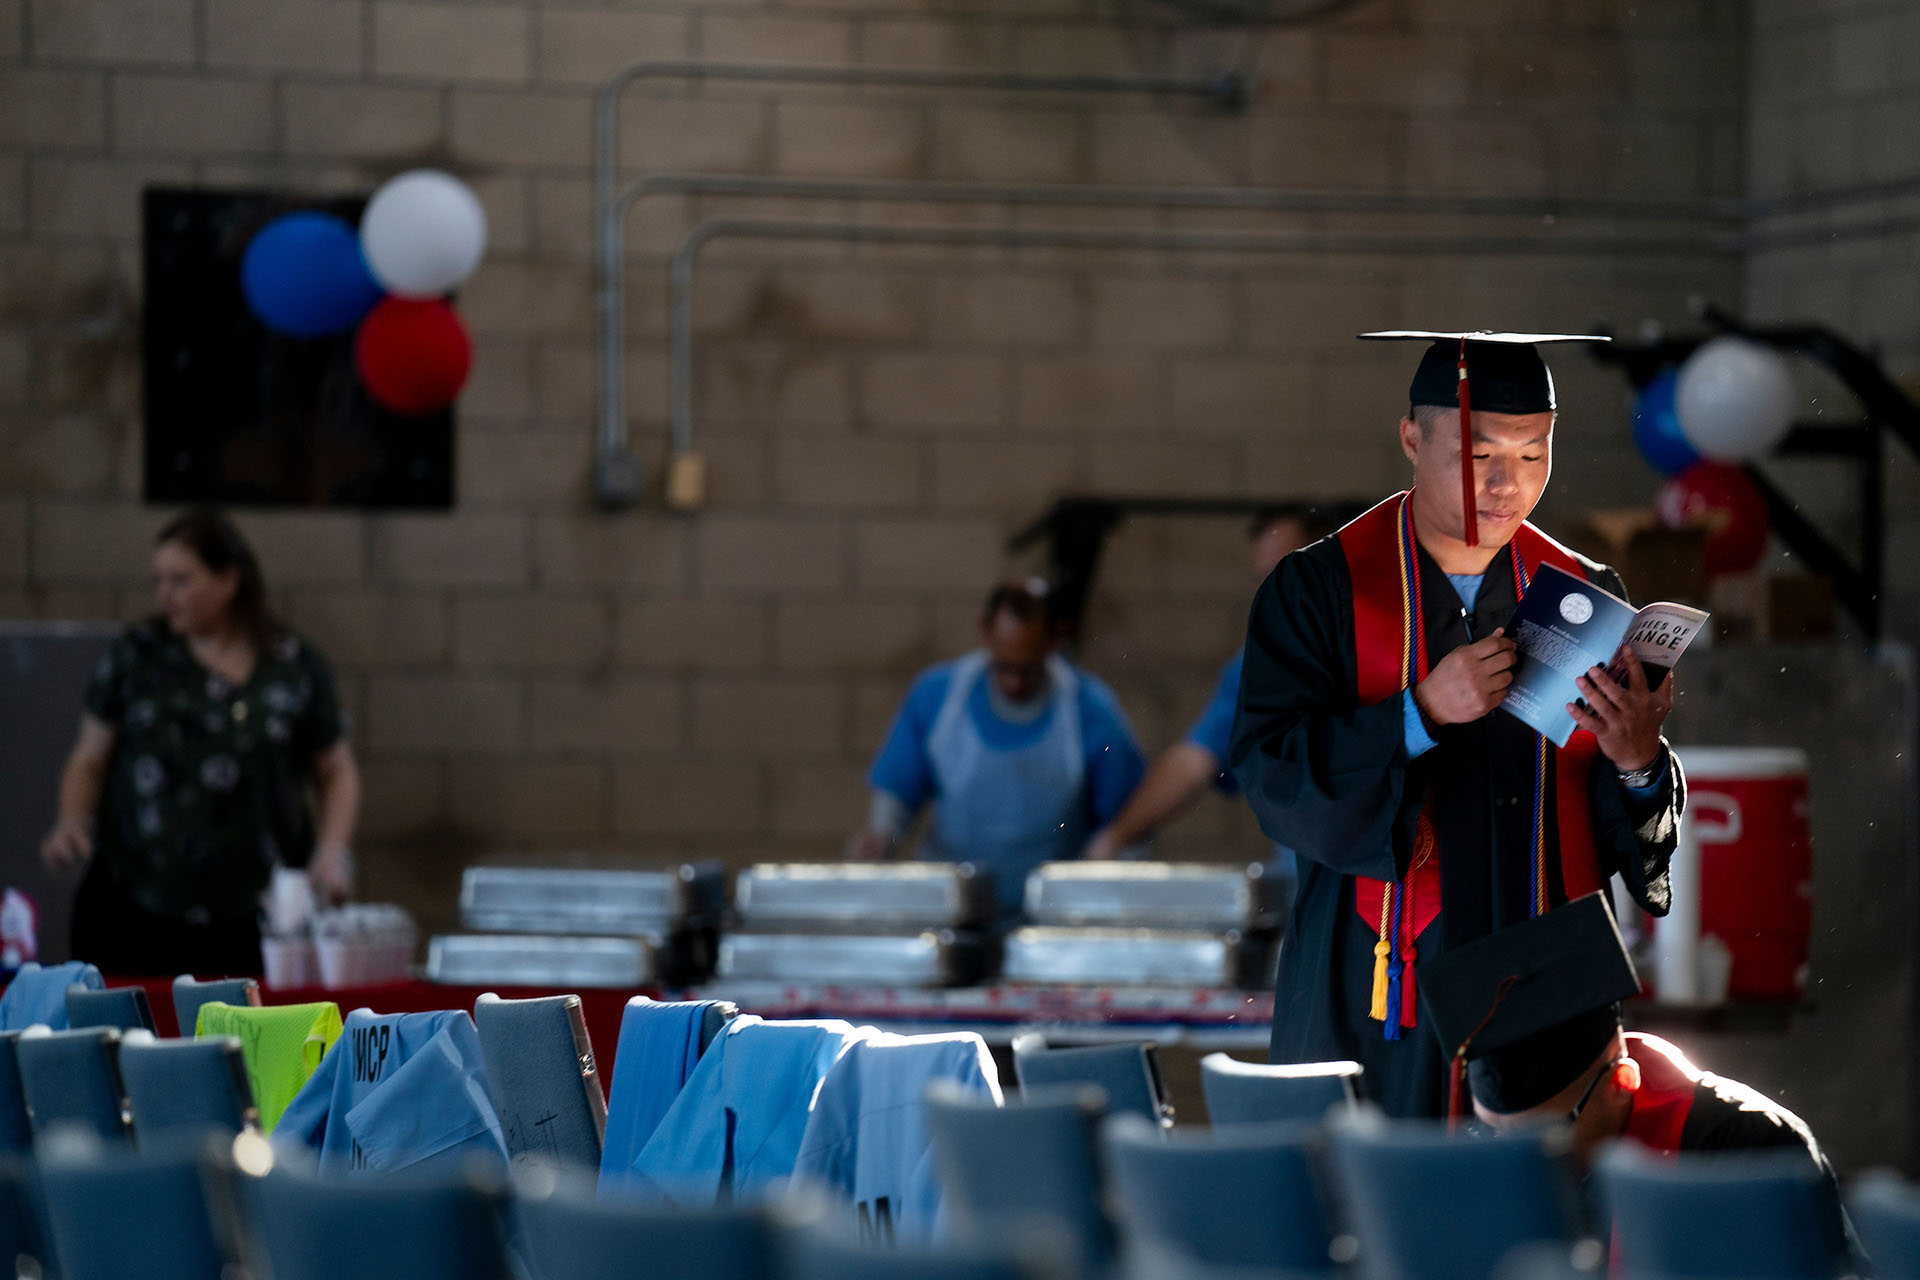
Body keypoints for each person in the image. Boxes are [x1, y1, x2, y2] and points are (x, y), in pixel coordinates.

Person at [1229, 331, 1686, 1118]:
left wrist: (1638, 760)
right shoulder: (1320, 591)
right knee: (1375, 1209)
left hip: (1548, 982)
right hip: (1379, 979)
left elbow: (1627, 824)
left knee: (1537, 1220)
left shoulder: (1585, 593)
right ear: (1412, 439)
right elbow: (1271, 771)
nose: (1509, 485)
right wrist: (1421, 712)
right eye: (1481, 458)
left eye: (1535, 455)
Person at [40, 508, 361, 975]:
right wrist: (71, 820)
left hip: (254, 917)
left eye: (181, 580)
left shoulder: (291, 665)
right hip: (136, 907)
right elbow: (88, 758)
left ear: (228, 581)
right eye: (159, 580)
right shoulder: (138, 655)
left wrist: (332, 852)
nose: (164, 595)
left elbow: (337, 771)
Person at [848, 580, 1146, 912]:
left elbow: (1127, 823)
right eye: (1004, 667)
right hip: (952, 909)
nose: (1014, 683)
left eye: (1028, 671)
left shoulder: (1092, 712)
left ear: (1057, 638)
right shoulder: (938, 697)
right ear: (985, 631)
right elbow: (898, 796)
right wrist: (880, 840)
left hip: (1051, 917)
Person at [1080, 507, 1329, 877]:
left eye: (1286, 577)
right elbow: (1196, 760)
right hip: (1314, 892)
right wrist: (1115, 839)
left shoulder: (1396, 653)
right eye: (1266, 581)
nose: (1275, 598)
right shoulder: (1261, 670)